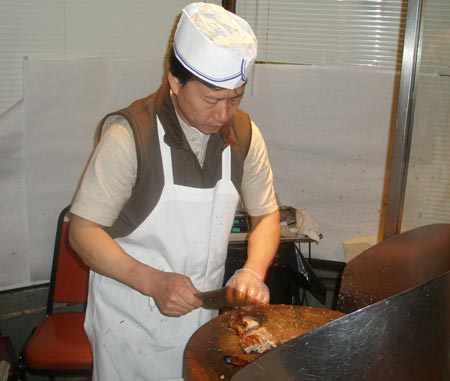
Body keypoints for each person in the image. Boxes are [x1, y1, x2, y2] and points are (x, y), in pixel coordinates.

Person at [68, 2, 280, 380]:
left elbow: (267, 214)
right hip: (131, 325)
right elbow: (82, 233)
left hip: (203, 325)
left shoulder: (244, 134)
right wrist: (153, 281)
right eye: (212, 100)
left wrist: (252, 270)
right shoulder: (130, 136)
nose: (223, 114)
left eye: (236, 98)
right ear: (175, 81)